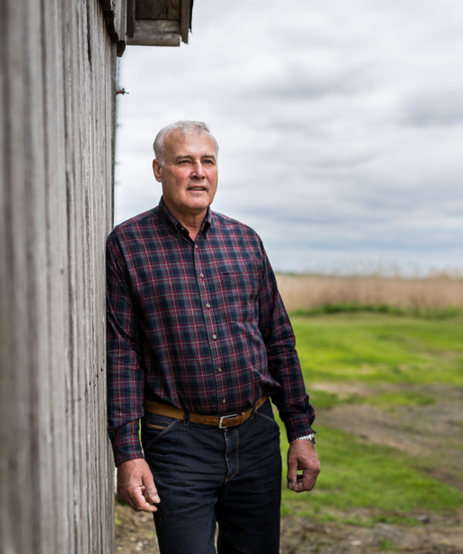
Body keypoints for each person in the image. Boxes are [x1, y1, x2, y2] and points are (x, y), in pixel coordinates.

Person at [106, 120, 320, 554]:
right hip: (177, 442)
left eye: (208, 161)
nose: (199, 172)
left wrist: (300, 431)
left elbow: (278, 340)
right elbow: (122, 355)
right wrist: (129, 453)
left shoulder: (245, 241)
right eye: (185, 161)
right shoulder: (127, 245)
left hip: (256, 435)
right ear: (158, 169)